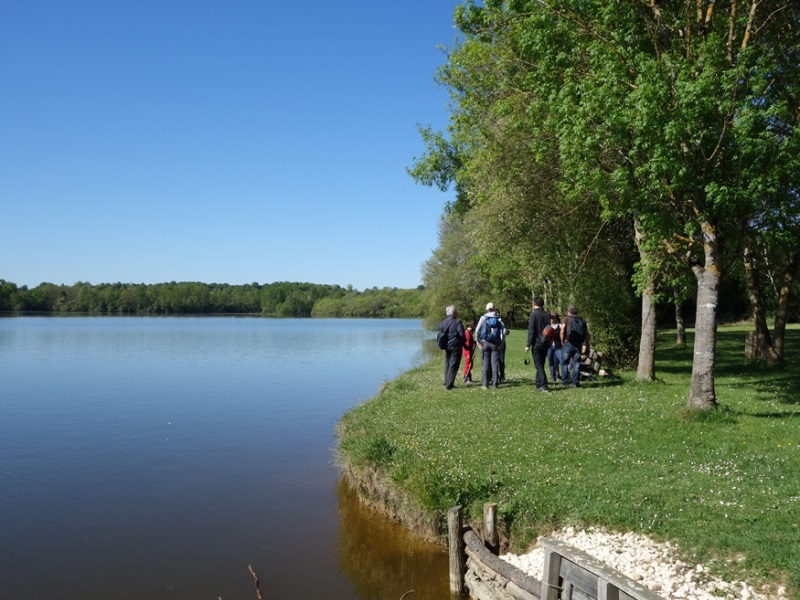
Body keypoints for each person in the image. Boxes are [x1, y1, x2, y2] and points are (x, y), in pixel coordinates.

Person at [475, 302, 506, 389]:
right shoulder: (498, 318)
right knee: (494, 363)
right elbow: (504, 331)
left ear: (487, 309)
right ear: (493, 308)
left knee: (485, 362)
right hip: (495, 343)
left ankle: (485, 384)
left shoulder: (483, 318)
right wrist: (502, 342)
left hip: (485, 342)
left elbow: (477, 330)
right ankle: (495, 384)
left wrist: (477, 341)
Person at [560, 305, 590, 388]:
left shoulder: (566, 319)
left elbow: (562, 331)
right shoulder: (582, 321)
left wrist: (562, 341)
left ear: (568, 311)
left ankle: (565, 382)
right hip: (578, 345)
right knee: (576, 364)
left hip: (567, 343)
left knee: (564, 363)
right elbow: (587, 335)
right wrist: (587, 345)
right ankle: (575, 383)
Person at [525, 297, 550, 392]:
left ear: (534, 303)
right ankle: (538, 384)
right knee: (541, 364)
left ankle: (544, 385)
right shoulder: (547, 314)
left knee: (538, 365)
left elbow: (531, 331)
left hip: (537, 343)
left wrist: (528, 344)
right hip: (545, 342)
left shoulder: (533, 315)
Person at [438, 305, 465, 390]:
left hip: (446, 346)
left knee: (448, 364)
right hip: (456, 346)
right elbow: (462, 335)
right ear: (455, 312)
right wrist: (462, 343)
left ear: (447, 313)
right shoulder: (457, 322)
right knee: (454, 365)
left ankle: (446, 381)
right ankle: (449, 385)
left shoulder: (443, 322)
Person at [547, 311, 563, 383]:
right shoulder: (548, 325)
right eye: (551, 318)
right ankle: (553, 376)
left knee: (557, 362)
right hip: (549, 346)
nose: (553, 319)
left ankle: (558, 375)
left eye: (554, 318)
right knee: (550, 362)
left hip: (558, 346)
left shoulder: (560, 326)